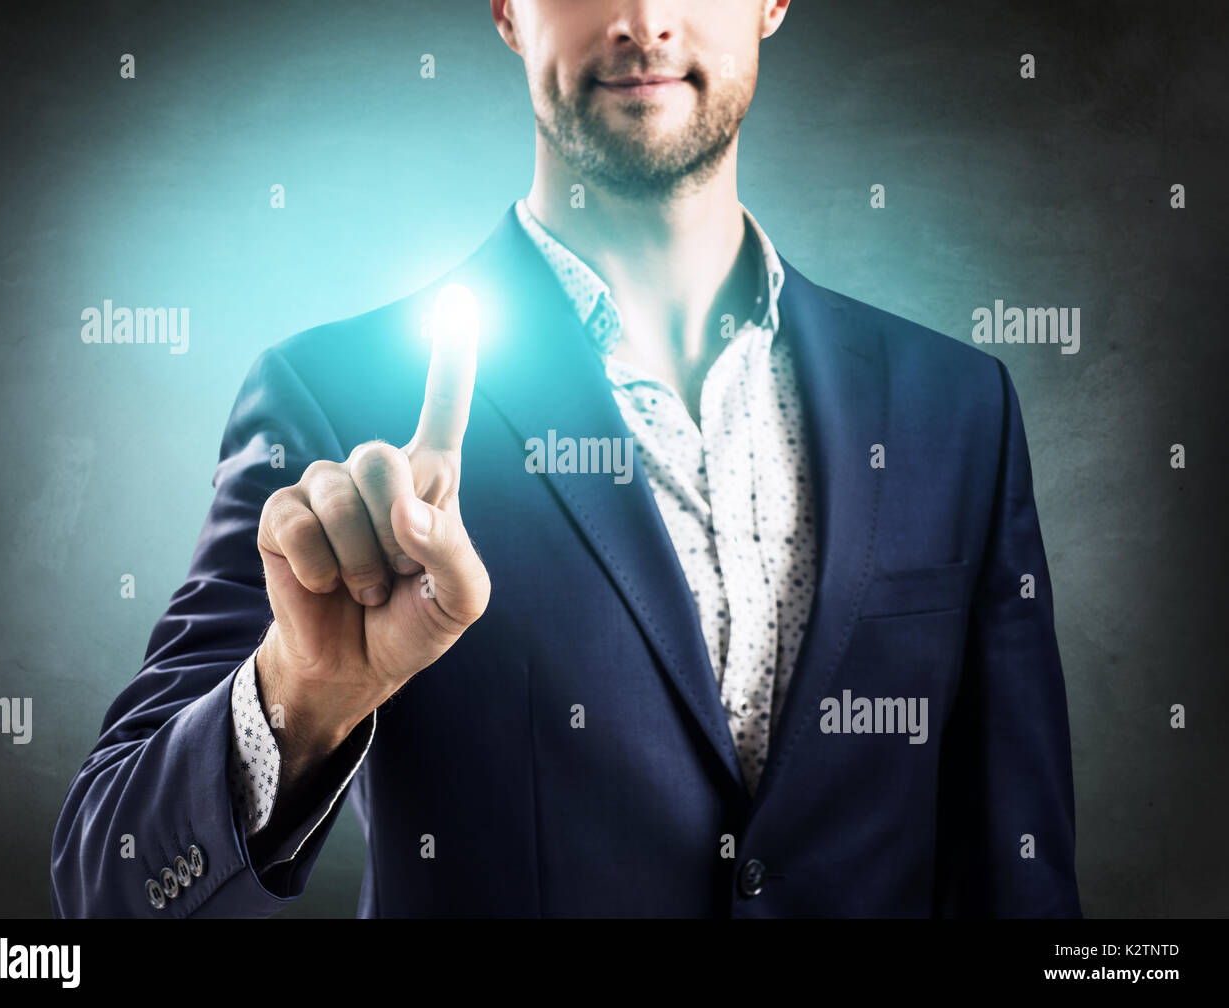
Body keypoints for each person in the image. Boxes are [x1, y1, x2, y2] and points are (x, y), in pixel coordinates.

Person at [52, 0, 1082, 917]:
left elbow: (1022, 876)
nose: (642, 19)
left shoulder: (957, 407)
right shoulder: (338, 398)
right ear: (506, 10)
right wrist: (304, 692)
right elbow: (109, 880)